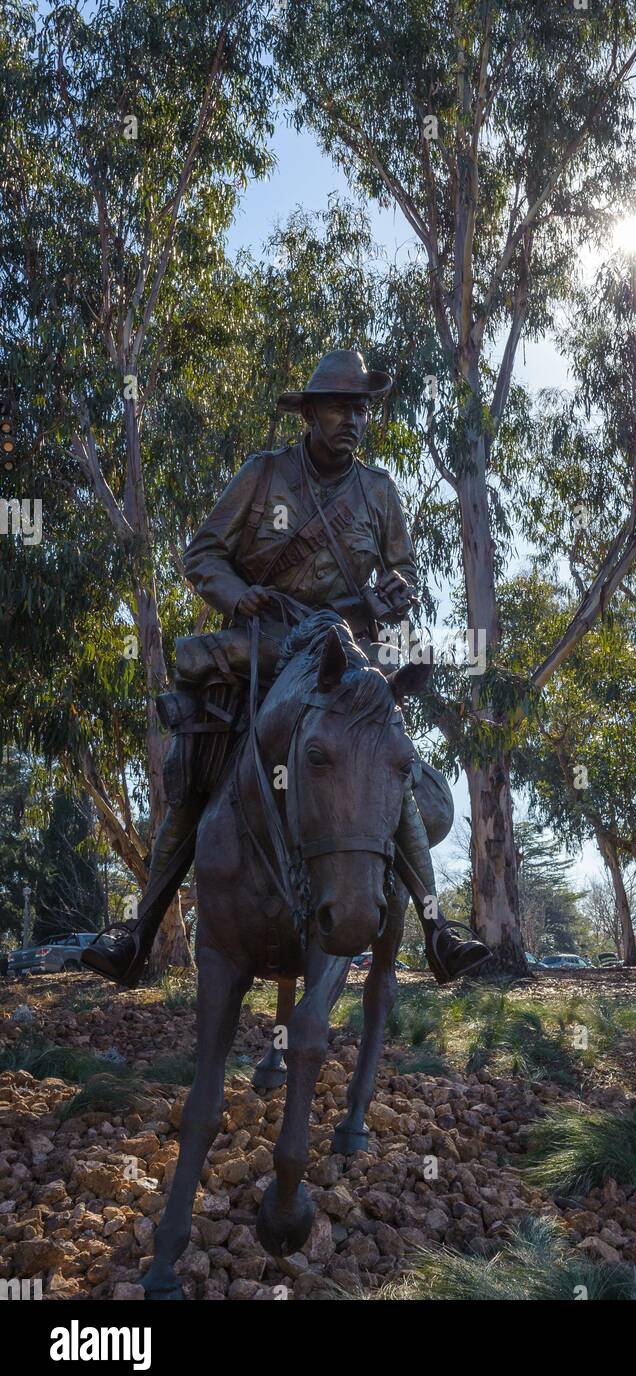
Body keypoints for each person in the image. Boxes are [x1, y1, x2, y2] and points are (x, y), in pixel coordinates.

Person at [82, 350, 491, 987]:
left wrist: (394, 594)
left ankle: (437, 929)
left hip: (345, 653)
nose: (351, 419)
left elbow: (403, 570)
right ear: (309, 414)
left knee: (387, 765)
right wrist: (235, 595)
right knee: (194, 772)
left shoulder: (379, 491)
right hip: (263, 651)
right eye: (337, 406)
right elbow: (203, 555)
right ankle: (139, 932)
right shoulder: (263, 475)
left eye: (359, 408)